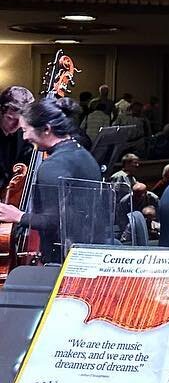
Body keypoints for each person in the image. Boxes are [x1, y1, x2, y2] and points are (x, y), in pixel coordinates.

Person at [0, 94, 103, 265]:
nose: (24, 138)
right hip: (86, 253)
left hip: (62, 260)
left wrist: (18, 215)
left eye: (26, 130)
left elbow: (55, 222)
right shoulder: (83, 154)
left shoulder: (52, 166)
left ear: (47, 129)